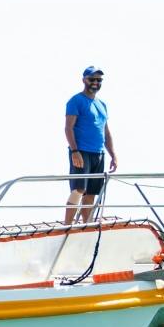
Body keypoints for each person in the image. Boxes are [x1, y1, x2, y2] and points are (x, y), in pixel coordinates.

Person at [64, 66, 118, 224]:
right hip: (81, 151)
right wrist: (74, 151)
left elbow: (106, 132)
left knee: (91, 193)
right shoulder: (76, 100)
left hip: (98, 153)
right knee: (79, 189)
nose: (95, 82)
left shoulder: (102, 104)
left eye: (98, 80)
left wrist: (113, 155)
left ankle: (86, 225)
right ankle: (66, 225)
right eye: (92, 79)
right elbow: (68, 128)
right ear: (84, 80)